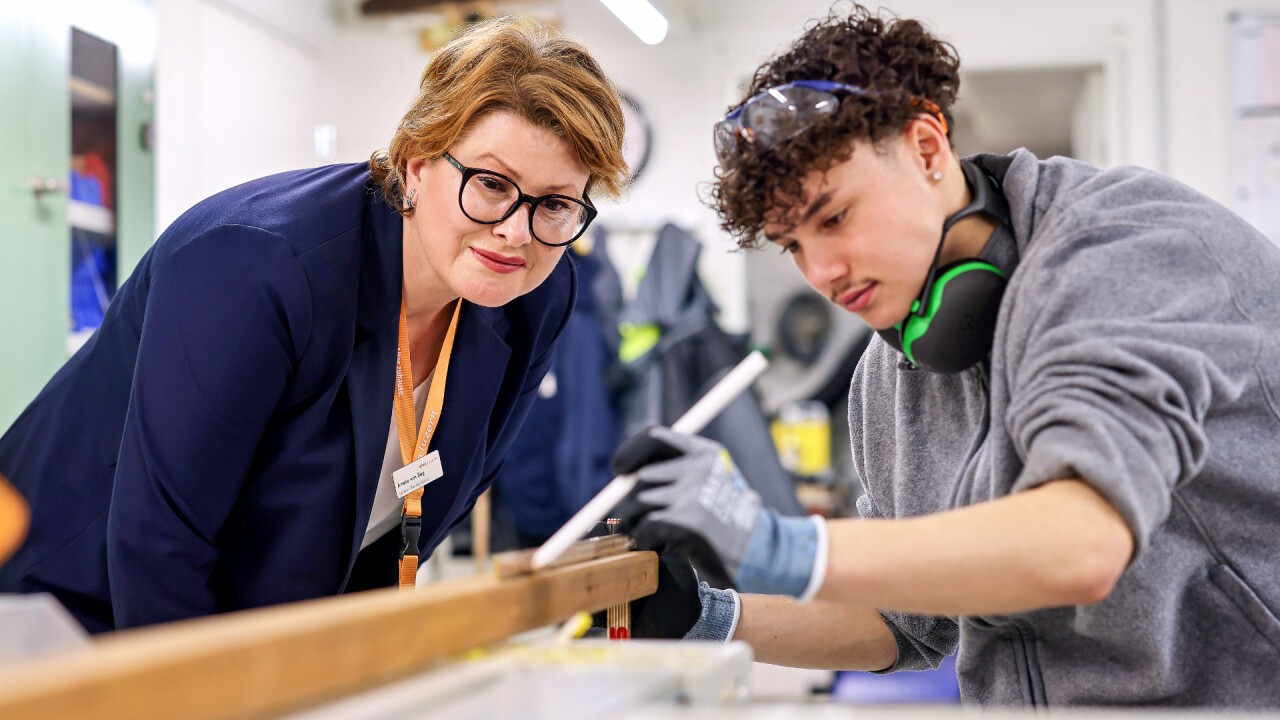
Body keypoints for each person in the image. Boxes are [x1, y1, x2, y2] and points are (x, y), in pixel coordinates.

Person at [613, 4, 1280, 707]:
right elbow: (905, 623)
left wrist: (775, 545)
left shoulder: (1127, 250)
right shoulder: (890, 366)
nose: (822, 273)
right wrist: (710, 618)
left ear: (928, 147)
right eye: (793, 245)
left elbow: (1081, 544)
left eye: (834, 217)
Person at [0, 16, 627, 633]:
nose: (516, 231)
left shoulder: (537, 292)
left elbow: (409, 520)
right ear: (415, 164)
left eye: (555, 203)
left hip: (256, 630)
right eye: (491, 184)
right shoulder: (256, 265)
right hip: (66, 615)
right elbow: (158, 542)